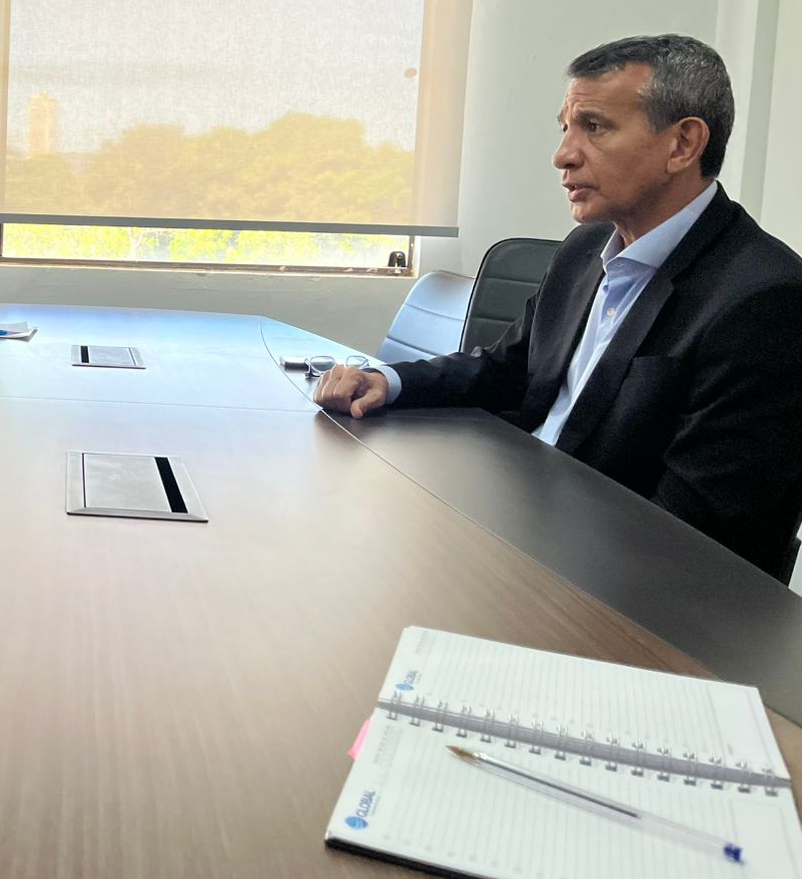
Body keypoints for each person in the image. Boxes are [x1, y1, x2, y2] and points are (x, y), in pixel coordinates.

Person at [314, 34, 802, 581]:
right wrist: (389, 382)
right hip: (520, 529)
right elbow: (508, 370)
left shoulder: (765, 300)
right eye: (565, 128)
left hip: (620, 592)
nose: (563, 154)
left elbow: (692, 539)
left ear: (683, 144)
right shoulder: (584, 248)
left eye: (594, 127)